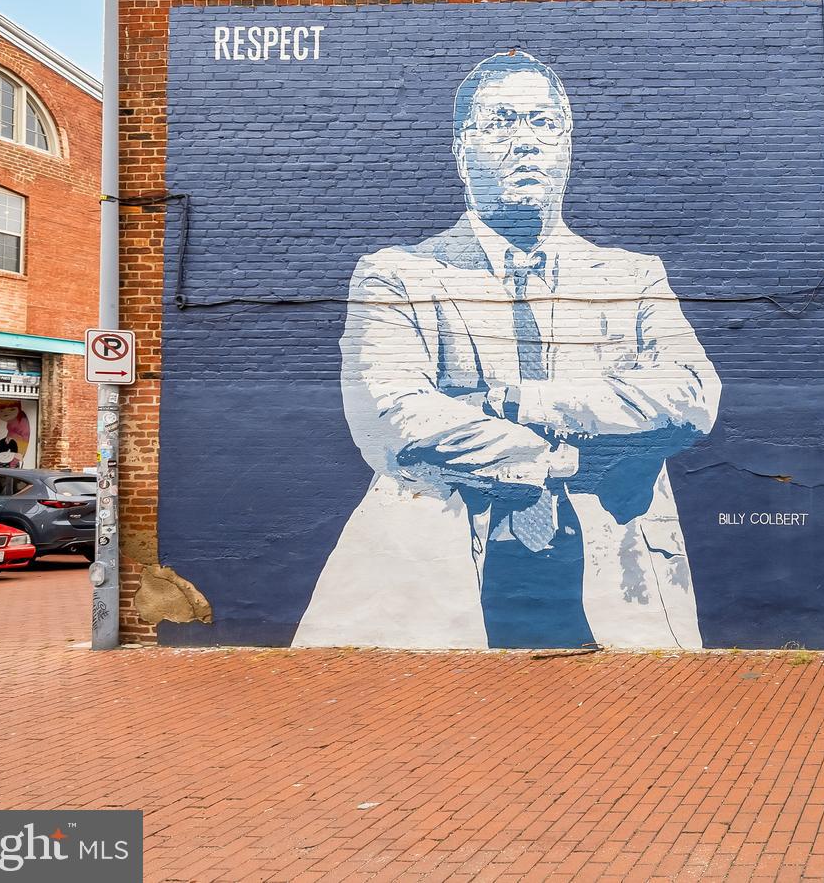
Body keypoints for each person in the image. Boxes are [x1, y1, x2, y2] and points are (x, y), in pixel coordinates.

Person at [296, 50, 720, 650]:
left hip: (617, 565)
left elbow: (692, 394)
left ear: (567, 146)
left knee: (631, 706)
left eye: (544, 123)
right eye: (500, 123)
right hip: (434, 565)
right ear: (459, 150)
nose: (525, 142)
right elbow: (392, 416)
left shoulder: (633, 276)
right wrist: (561, 458)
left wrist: (518, 401)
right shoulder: (396, 275)